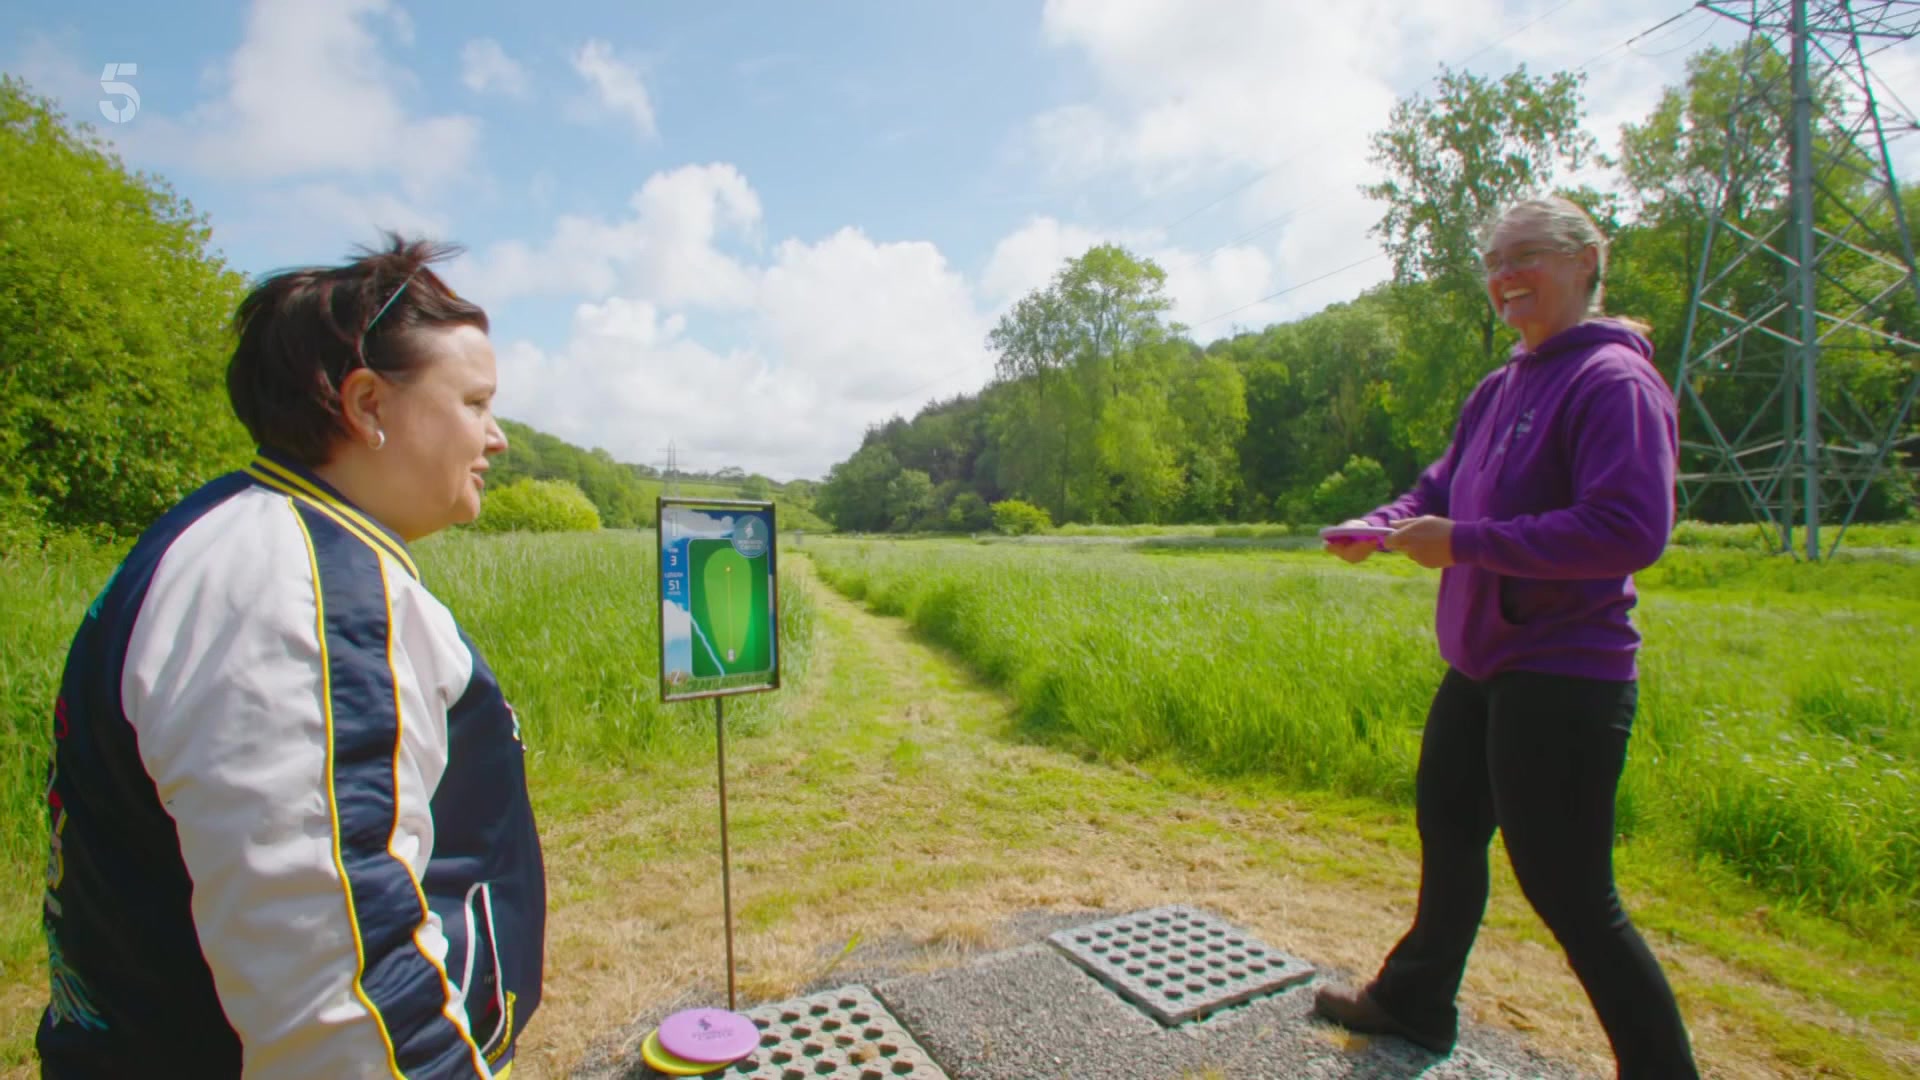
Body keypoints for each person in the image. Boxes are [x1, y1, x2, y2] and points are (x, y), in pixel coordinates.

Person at [37, 234, 545, 1078]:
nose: (496, 439)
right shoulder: (298, 599)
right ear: (368, 404)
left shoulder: (237, 534)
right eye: (475, 403)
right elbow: (345, 1007)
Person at [1313, 195, 1700, 1079]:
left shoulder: (1613, 382)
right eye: (1493, 262)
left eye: (1524, 255)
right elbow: (1438, 488)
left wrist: (1466, 544)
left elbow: (1629, 529)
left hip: (1565, 671)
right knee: (1449, 830)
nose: (1504, 276)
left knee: (1570, 891)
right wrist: (1383, 523)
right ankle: (1414, 1003)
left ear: (1585, 261)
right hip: (1482, 662)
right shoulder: (1501, 386)